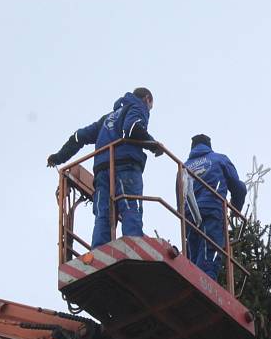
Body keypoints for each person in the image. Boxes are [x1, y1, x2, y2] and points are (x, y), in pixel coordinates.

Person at [47, 87, 163, 248]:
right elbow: (131, 129)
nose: (150, 108)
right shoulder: (138, 106)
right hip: (125, 166)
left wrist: (59, 157)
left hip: (102, 170)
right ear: (147, 99)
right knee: (129, 206)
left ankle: (100, 249)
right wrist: (154, 145)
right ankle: (133, 245)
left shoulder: (107, 118)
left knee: (103, 213)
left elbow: (78, 137)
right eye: (151, 105)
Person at [182, 134, 246, 281]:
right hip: (212, 210)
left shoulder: (183, 167)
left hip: (189, 215)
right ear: (209, 146)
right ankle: (206, 285)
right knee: (210, 251)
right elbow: (239, 188)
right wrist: (236, 208)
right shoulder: (219, 159)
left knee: (194, 251)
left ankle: (192, 280)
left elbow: (180, 197)